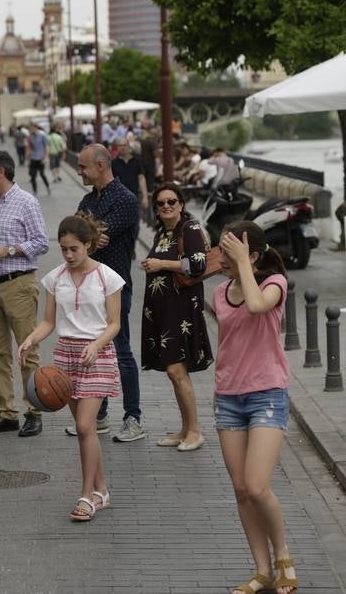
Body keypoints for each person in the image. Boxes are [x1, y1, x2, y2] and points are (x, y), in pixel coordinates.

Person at [18, 214, 122, 521]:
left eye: (74, 248)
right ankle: (102, 491)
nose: (68, 255)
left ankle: (86, 496)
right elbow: (49, 321)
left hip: (96, 354)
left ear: (88, 245)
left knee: (84, 427)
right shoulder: (55, 278)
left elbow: (115, 324)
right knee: (85, 431)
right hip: (66, 356)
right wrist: (30, 339)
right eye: (63, 249)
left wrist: (96, 344)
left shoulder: (108, 277)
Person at [212, 221, 298, 594]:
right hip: (228, 398)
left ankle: (283, 559)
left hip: (267, 395)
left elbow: (257, 306)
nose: (222, 258)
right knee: (241, 490)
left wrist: (245, 264)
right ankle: (262, 571)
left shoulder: (273, 285)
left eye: (229, 251)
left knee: (258, 486)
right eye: (221, 250)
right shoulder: (218, 292)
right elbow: (230, 342)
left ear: (253, 256)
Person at [0, 150, 49, 437]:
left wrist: (8, 250)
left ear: (0, 172)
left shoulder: (26, 202)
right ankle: (6, 412)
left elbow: (41, 242)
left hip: (18, 283)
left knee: (27, 349)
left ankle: (34, 411)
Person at [74, 144, 144, 443]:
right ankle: (99, 416)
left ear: (101, 166)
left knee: (121, 352)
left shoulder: (126, 199)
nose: (79, 172)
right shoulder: (88, 199)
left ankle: (133, 417)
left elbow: (94, 238)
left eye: (83, 167)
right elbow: (80, 238)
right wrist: (87, 237)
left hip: (115, 288)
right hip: (88, 288)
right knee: (93, 351)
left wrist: (87, 236)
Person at [141, 181, 213, 450]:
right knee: (174, 372)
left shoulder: (189, 229)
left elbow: (198, 263)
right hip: (163, 311)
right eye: (161, 203)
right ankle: (184, 429)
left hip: (181, 311)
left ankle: (195, 431)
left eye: (172, 201)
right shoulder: (163, 232)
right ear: (156, 210)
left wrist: (161, 264)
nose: (167, 206)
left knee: (176, 369)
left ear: (181, 204)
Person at [111, 138, 149, 239]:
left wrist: (145, 196)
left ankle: (131, 247)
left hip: (134, 199)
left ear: (128, 147)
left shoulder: (137, 161)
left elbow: (141, 178)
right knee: (120, 226)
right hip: (118, 200)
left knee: (135, 226)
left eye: (124, 145)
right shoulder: (113, 163)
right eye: (120, 146)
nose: (122, 148)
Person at [26, 122, 50, 195]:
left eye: (32, 128)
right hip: (33, 157)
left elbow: (46, 147)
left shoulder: (42, 135)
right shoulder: (30, 136)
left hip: (41, 158)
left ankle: (47, 187)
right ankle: (35, 191)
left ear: (36, 128)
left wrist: (46, 157)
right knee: (33, 175)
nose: (31, 129)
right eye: (30, 128)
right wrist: (27, 159)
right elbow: (29, 147)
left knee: (42, 174)